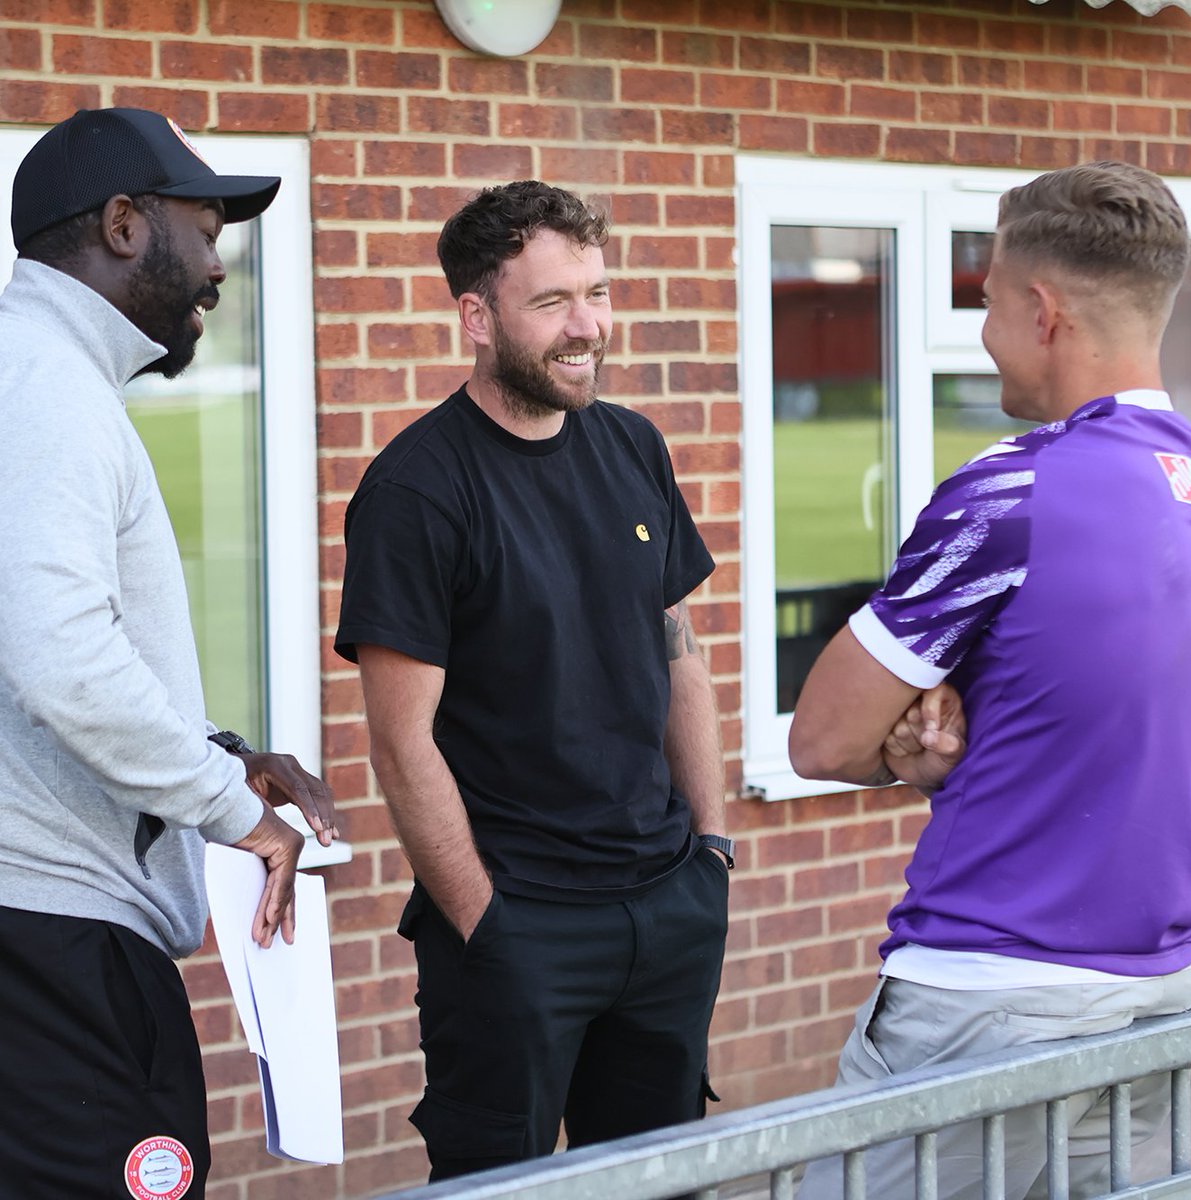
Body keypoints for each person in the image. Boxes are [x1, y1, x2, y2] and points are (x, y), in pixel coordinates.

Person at [790, 160, 1191, 1199]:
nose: (980, 330)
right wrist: (952, 756)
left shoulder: (1014, 488)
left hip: (991, 998)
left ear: (1043, 310)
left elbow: (821, 742)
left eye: (985, 303)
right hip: (1168, 995)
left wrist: (904, 742)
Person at [336, 180, 729, 1181]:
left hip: (666, 907)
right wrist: (484, 921)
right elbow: (399, 739)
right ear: (478, 316)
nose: (588, 326)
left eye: (596, 293)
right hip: (521, 928)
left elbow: (676, 650)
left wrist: (712, 849)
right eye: (554, 302)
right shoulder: (417, 490)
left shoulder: (633, 446)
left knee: (657, 1179)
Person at [0, 107, 337, 1200]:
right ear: (124, 225)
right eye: (206, 229)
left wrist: (212, 752)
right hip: (56, 951)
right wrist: (232, 811)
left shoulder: (36, 373)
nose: (219, 266)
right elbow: (61, 657)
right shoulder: (44, 384)